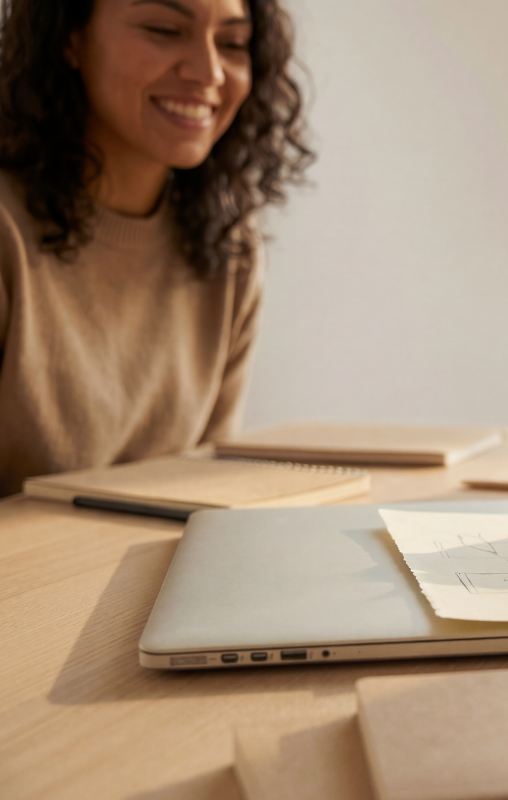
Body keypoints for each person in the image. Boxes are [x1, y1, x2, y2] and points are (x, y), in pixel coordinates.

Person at [0, 0, 311, 497]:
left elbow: (204, 496)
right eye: (164, 30)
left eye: (232, 44)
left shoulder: (229, 251)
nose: (208, 72)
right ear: (69, 38)